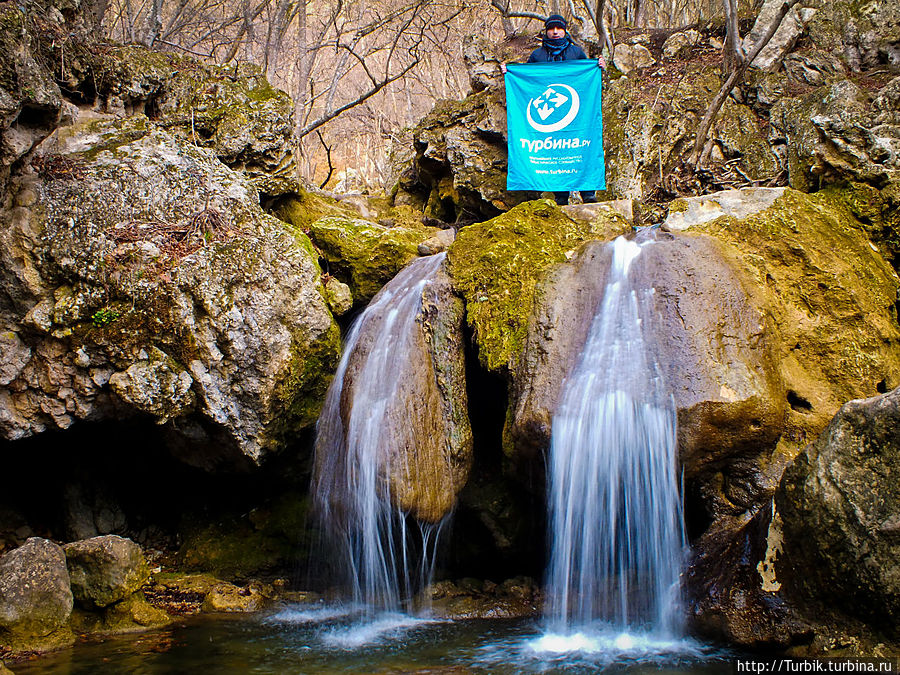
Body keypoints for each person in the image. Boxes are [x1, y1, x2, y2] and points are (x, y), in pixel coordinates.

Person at [501, 14, 605, 206]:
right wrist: (510, 73)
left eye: (559, 28)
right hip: (548, 118)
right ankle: (561, 197)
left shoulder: (576, 52)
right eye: (551, 28)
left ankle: (588, 193)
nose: (555, 32)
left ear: (565, 30)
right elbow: (529, 82)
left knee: (580, 148)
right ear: (546, 31)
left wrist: (598, 67)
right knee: (556, 153)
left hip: (575, 115)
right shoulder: (537, 56)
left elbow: (587, 79)